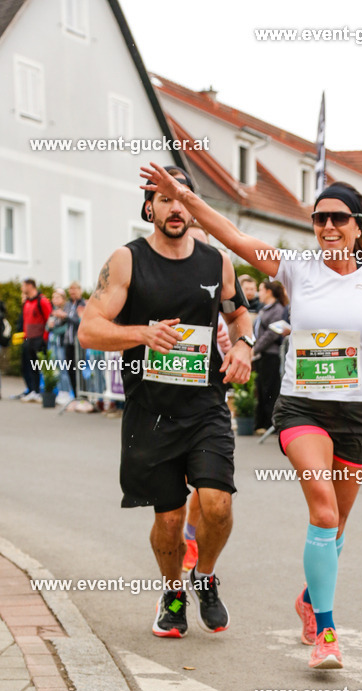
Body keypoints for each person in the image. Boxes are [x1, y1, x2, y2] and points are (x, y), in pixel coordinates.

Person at [140, 164, 362, 668]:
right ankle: (328, 636)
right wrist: (183, 195)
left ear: (359, 226)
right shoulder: (296, 267)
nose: (328, 228)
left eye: (339, 218)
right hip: (302, 408)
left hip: (357, 414)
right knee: (323, 512)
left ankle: (310, 601)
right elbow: (232, 234)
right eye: (319, 220)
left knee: (335, 530)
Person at [79, 165, 254, 638]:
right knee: (170, 515)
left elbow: (240, 314)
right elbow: (89, 329)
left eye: (182, 198)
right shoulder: (126, 260)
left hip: (205, 407)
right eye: (164, 198)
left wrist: (243, 345)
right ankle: (173, 590)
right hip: (149, 409)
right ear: (149, 207)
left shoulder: (216, 261)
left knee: (216, 504)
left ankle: (206, 575)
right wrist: (142, 333)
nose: (175, 208)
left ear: (192, 207)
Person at [181, 223, 234, 574]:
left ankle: (191, 540)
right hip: (165, 408)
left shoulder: (218, 303)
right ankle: (182, 535)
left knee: (207, 485)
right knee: (174, 493)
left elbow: (238, 328)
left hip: (208, 407)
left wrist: (234, 349)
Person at [253, 279, 288, 433]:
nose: (258, 293)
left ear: (268, 291)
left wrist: (254, 349)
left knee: (270, 389)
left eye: (260, 289)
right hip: (262, 355)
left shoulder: (277, 310)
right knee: (261, 389)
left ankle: (269, 424)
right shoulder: (264, 309)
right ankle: (261, 424)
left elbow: (271, 334)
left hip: (271, 355)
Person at [19, 278, 52, 403]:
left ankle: (40, 391)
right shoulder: (26, 302)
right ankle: (33, 390)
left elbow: (49, 318)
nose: (22, 288)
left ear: (30, 286)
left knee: (39, 366)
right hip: (28, 338)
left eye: (24, 286)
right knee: (29, 366)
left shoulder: (42, 301)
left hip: (39, 338)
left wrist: (44, 337)